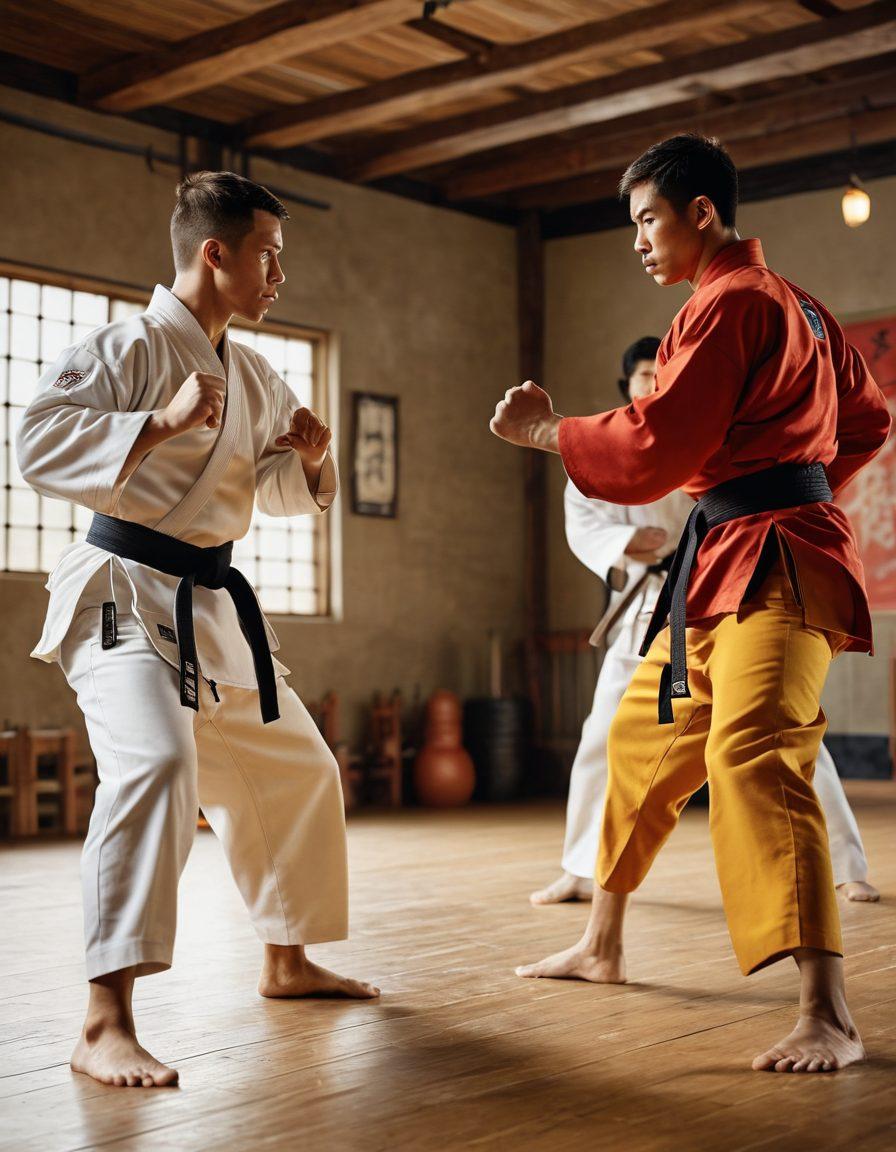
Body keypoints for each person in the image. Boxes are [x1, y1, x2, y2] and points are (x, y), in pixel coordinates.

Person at [491, 134, 890, 1073]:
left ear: (699, 212)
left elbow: (658, 446)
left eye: (646, 219)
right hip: (726, 558)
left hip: (778, 558)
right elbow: (869, 420)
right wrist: (792, 472)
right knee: (640, 740)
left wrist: (548, 430)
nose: (637, 239)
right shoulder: (801, 307)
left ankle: (827, 1010)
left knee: (752, 751)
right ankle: (602, 944)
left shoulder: (733, 303)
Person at [17, 171, 379, 1091]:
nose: (279, 276)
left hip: (210, 605)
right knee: (158, 766)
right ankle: (104, 1020)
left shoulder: (254, 372)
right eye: (269, 256)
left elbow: (267, 491)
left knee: (298, 767)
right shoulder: (128, 346)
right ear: (215, 252)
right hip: (123, 594)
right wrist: (155, 422)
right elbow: (35, 444)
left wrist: (311, 460)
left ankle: (286, 962)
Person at [532, 339, 879, 908]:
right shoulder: (614, 439)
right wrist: (624, 543)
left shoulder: (701, 425)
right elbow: (584, 514)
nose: (651, 385)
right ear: (627, 385)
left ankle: (846, 865)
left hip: (728, 586)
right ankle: (581, 867)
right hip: (648, 600)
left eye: (660, 374)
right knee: (605, 736)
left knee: (782, 727)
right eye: (643, 376)